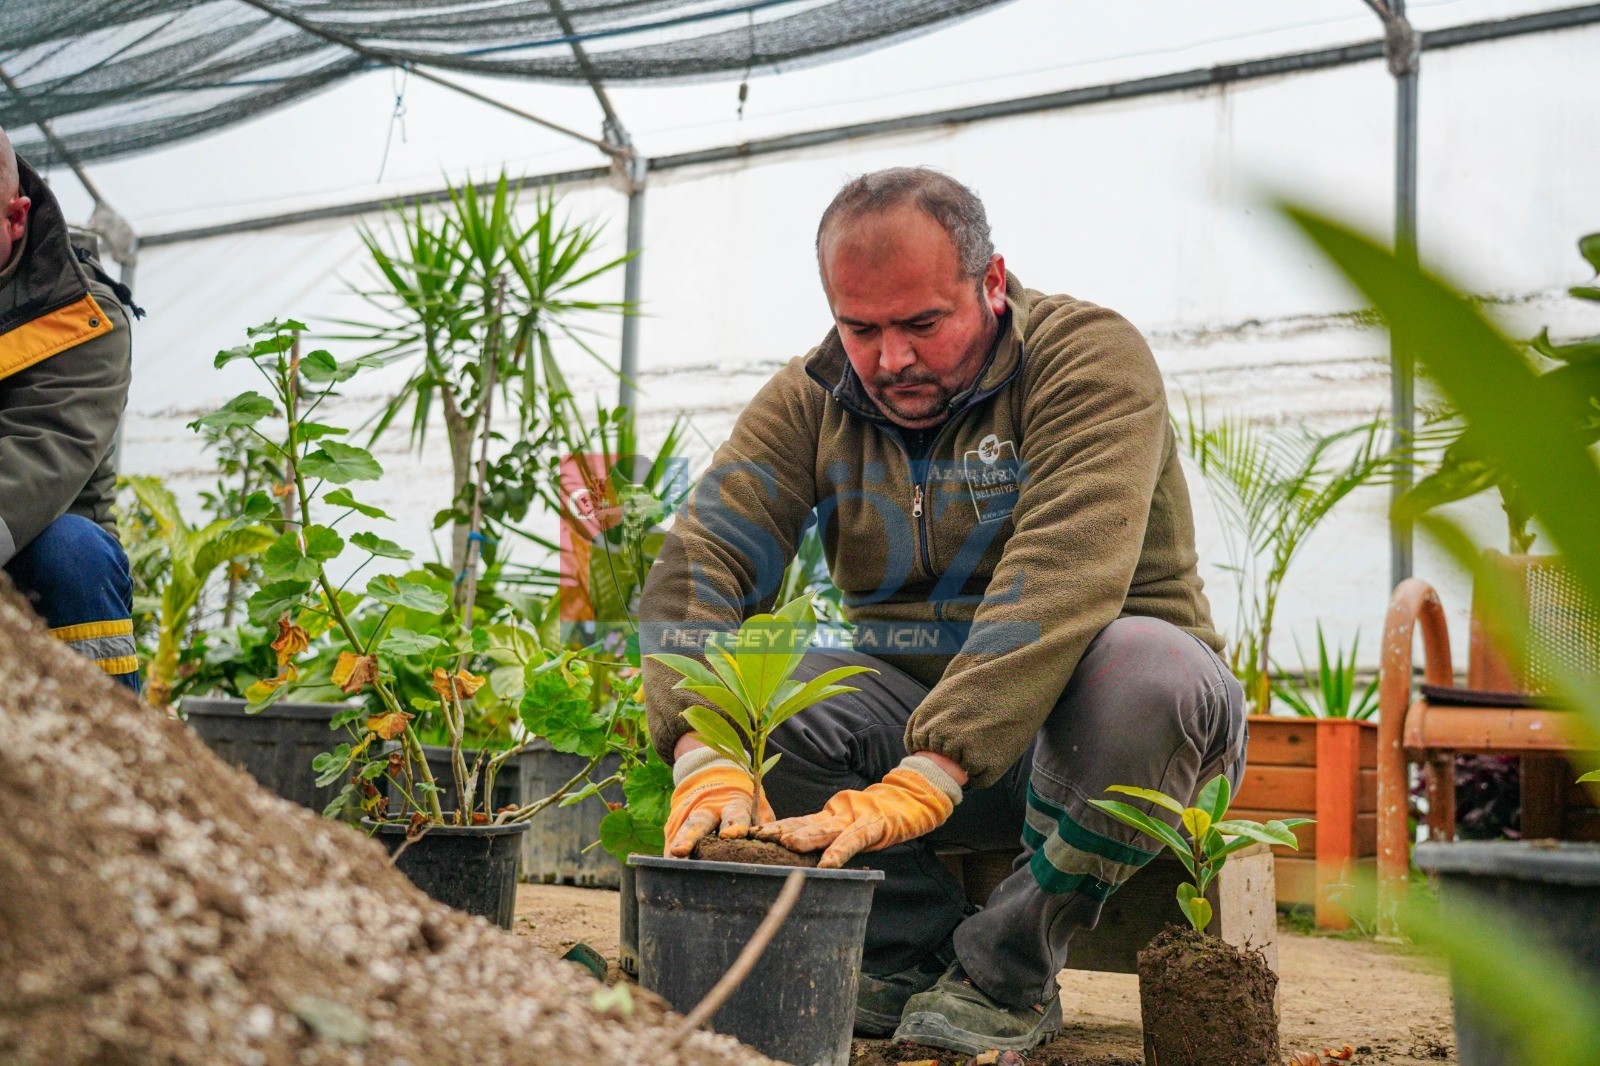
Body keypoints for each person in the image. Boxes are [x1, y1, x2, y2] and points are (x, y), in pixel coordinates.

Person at [0, 126, 140, 690]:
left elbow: (33, 465)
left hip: (29, 549)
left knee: (73, 551)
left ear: (15, 218)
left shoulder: (82, 318)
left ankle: (110, 754)